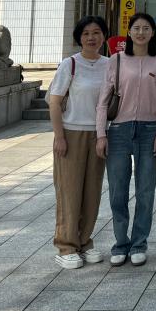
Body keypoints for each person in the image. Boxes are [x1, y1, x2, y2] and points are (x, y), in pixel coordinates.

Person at [95, 12, 156, 267]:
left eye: (146, 28)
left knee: (145, 191)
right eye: (136, 28)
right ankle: (120, 243)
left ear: (153, 33)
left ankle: (139, 243)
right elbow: (103, 101)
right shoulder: (116, 60)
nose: (141, 32)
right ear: (129, 32)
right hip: (118, 131)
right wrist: (101, 134)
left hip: (149, 130)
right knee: (118, 191)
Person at [47, 16, 110, 269]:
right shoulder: (70, 64)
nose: (91, 38)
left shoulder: (109, 65)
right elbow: (54, 102)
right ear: (79, 38)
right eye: (86, 34)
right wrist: (59, 136)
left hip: (98, 135)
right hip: (71, 133)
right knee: (69, 192)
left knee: (92, 192)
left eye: (96, 32)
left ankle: (85, 241)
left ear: (104, 36)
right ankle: (66, 246)